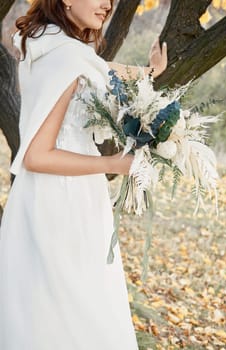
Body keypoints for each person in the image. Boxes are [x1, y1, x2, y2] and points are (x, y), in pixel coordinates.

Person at [0, 0, 167, 349]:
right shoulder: (65, 55)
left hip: (44, 199)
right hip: (64, 203)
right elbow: (36, 155)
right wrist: (113, 164)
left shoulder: (47, 43)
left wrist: (148, 72)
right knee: (76, 315)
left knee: (45, 313)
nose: (107, 5)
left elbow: (101, 69)